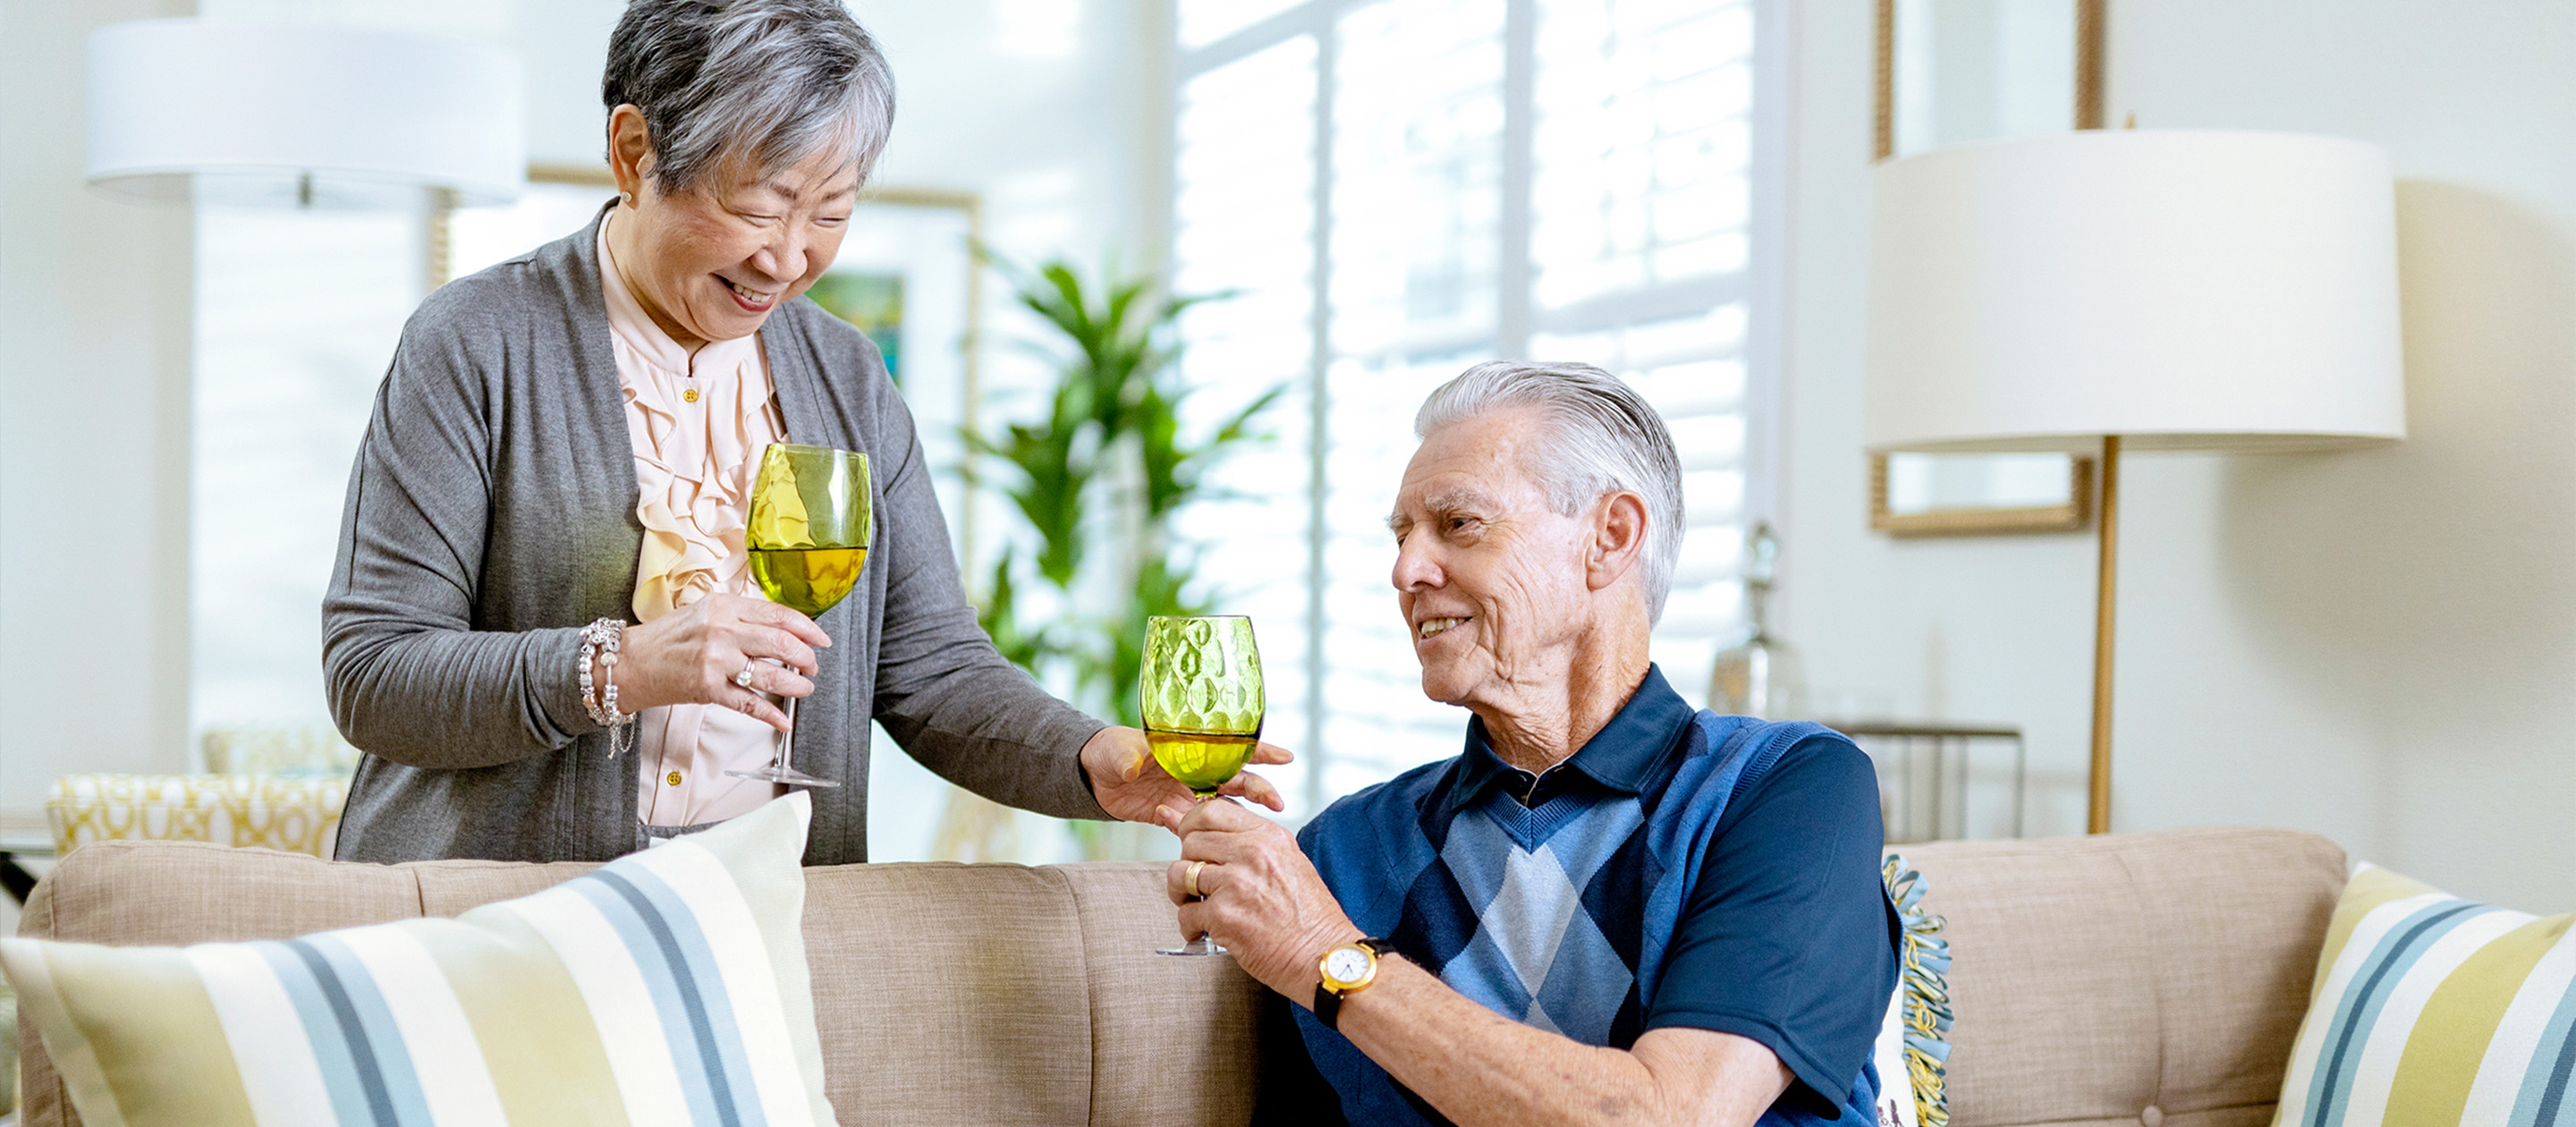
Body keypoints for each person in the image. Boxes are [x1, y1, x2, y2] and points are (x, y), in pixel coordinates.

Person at [323, 0, 1280, 865]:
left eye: (830, 213)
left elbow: (935, 671)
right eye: (756, 208)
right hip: (494, 927)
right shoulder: (476, 341)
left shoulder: (848, 376)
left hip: (764, 922)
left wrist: (1087, 755)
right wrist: (626, 665)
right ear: (633, 152)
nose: (787, 260)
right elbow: (375, 673)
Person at [1165, 362, 1898, 1126]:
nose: (1406, 570)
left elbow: (1676, 1115)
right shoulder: (1340, 853)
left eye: (1459, 524)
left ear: (1609, 538)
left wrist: (1330, 959)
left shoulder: (1787, 791)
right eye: (1402, 535)